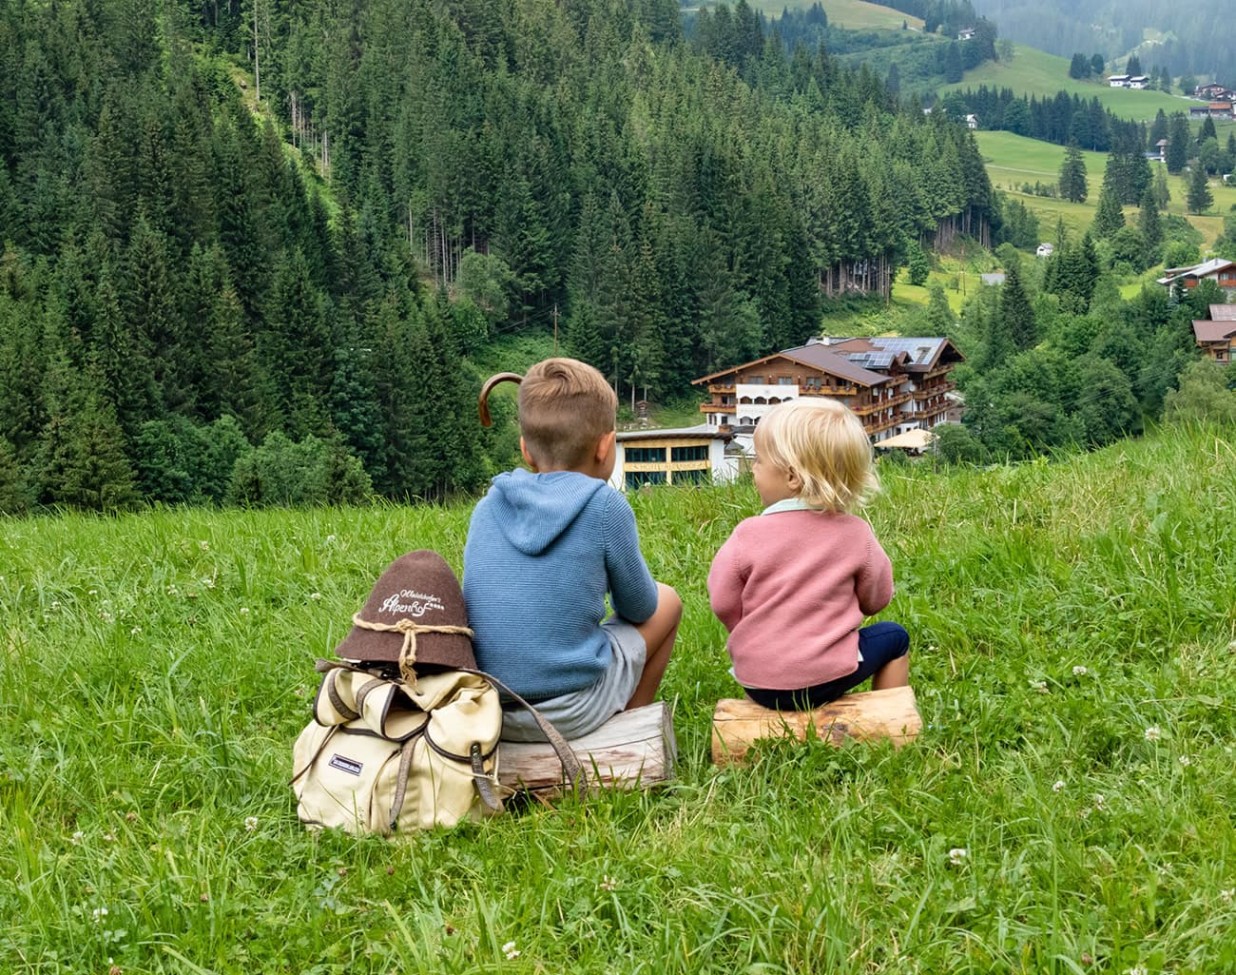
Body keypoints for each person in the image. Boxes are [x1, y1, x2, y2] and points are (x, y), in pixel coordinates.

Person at [463, 357, 682, 741]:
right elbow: (640, 608)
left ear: (525, 451)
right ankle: (630, 729)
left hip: (490, 708)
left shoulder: (488, 506)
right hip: (571, 710)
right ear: (605, 446)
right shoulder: (605, 507)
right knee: (668, 600)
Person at [707, 398, 909, 711]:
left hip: (759, 682)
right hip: (829, 677)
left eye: (759, 461)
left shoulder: (747, 534)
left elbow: (721, 600)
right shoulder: (856, 533)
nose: (753, 470)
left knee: (766, 670)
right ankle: (890, 716)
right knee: (895, 636)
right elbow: (877, 599)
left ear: (792, 477)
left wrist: (751, 630)